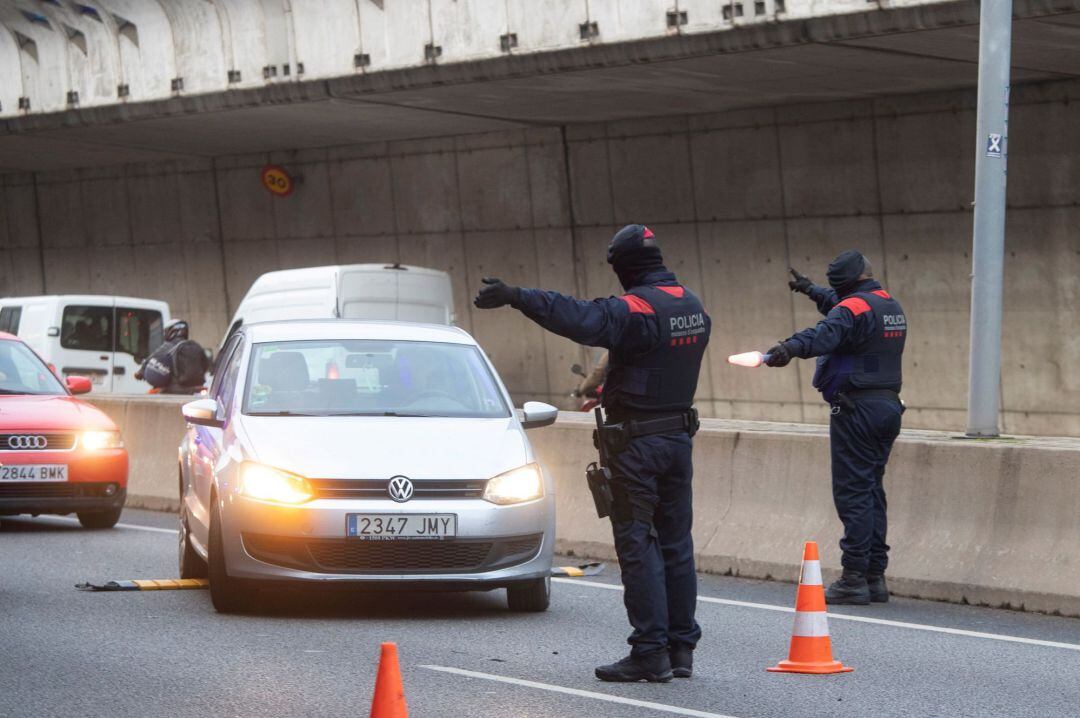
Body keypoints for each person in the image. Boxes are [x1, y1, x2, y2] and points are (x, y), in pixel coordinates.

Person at [474, 224, 711, 682]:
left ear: (625, 267)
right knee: (676, 544)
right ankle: (681, 649)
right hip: (678, 438)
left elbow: (579, 317)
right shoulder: (693, 305)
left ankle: (649, 651)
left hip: (638, 445)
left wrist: (518, 295)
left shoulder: (635, 310)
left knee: (638, 542)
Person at [765, 250, 907, 605]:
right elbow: (839, 308)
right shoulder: (887, 304)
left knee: (854, 493)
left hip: (856, 408)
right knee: (872, 489)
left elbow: (824, 334)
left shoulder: (851, 310)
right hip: (887, 406)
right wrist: (810, 289)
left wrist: (787, 349)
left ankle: (854, 578)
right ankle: (875, 576)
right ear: (864, 276)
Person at [135, 319, 209, 395]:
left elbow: (150, 359)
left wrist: (140, 373)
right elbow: (205, 364)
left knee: (151, 395)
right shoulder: (195, 346)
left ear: (170, 331)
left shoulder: (168, 346)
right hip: (198, 387)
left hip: (176, 388)